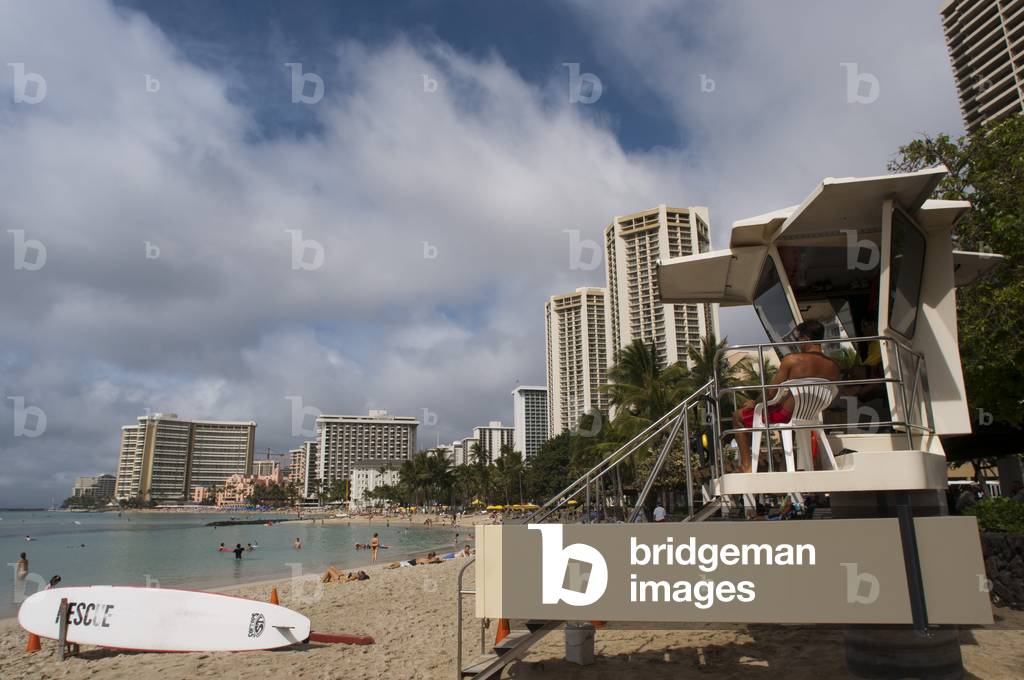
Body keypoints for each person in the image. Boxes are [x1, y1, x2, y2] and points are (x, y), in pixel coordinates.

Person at [732, 320, 840, 473]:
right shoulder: (833, 366)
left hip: (786, 415)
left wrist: (754, 403)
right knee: (789, 423)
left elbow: (770, 392)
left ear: (806, 338)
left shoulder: (793, 360)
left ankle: (746, 466)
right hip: (811, 416)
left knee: (737, 417)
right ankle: (788, 463)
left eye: (798, 339)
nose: (797, 344)